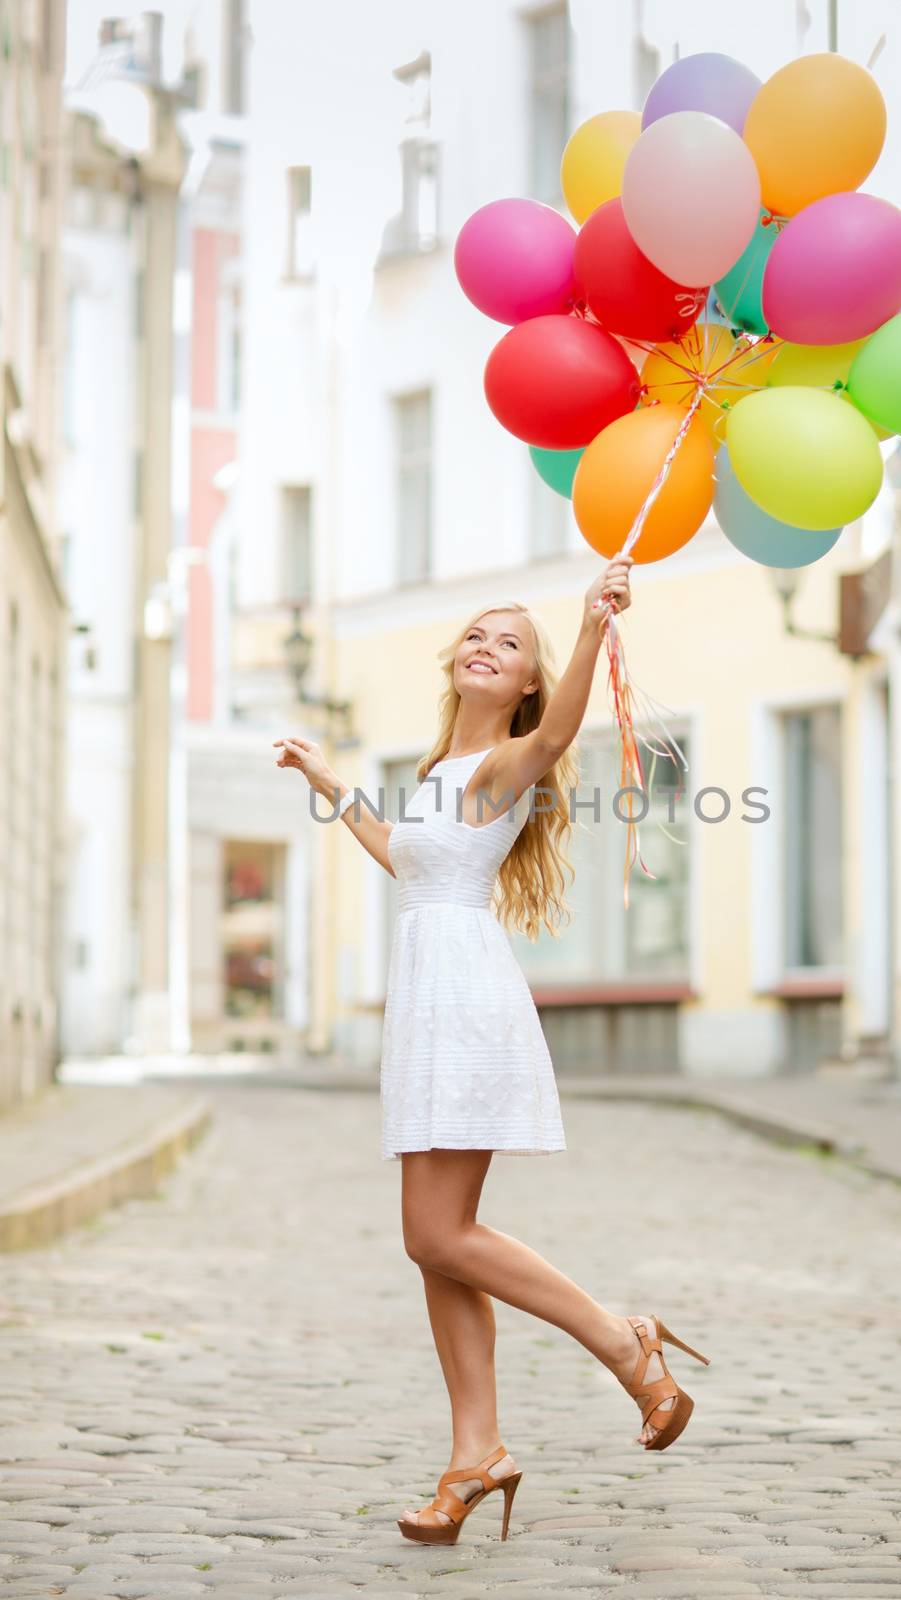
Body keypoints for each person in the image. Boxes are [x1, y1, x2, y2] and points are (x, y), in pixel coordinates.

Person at [273, 552, 709, 1547]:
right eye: (476, 630)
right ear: (453, 663)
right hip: (428, 1001)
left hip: (464, 1004)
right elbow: (403, 860)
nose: (486, 642)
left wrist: (594, 621)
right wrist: (330, 779)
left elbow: (562, 735)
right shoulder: (436, 776)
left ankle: (621, 1342)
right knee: (437, 1246)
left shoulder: (511, 759)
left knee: (436, 1233)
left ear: (521, 686)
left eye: (511, 643)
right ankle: (476, 1455)